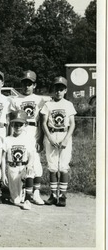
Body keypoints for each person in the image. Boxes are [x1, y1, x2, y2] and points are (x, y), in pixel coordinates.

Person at [9, 70, 47, 205]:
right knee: (20, 164)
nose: (27, 86)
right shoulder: (15, 100)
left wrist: (41, 140)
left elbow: (42, 121)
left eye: (29, 84)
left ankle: (36, 193)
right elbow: (11, 121)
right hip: (20, 133)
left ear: (34, 85)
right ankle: (23, 191)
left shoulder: (39, 99)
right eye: (24, 83)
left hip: (33, 133)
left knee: (36, 166)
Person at [41, 76, 76, 207]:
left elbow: (72, 124)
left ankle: (62, 195)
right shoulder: (48, 104)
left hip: (64, 134)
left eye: (61, 89)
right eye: (56, 88)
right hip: (51, 134)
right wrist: (49, 137)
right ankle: (53, 195)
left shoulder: (68, 104)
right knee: (52, 166)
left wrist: (66, 139)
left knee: (63, 167)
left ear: (65, 90)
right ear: (53, 89)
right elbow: (43, 123)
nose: (58, 92)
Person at [1, 110, 35, 210]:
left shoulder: (28, 138)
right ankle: (19, 193)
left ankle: (28, 199)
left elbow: (32, 155)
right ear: (11, 125)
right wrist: (3, 174)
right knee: (15, 200)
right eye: (15, 124)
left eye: (20, 124)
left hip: (23, 166)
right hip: (12, 168)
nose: (18, 127)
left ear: (25, 125)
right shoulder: (7, 139)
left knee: (30, 172)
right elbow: (3, 158)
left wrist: (29, 165)